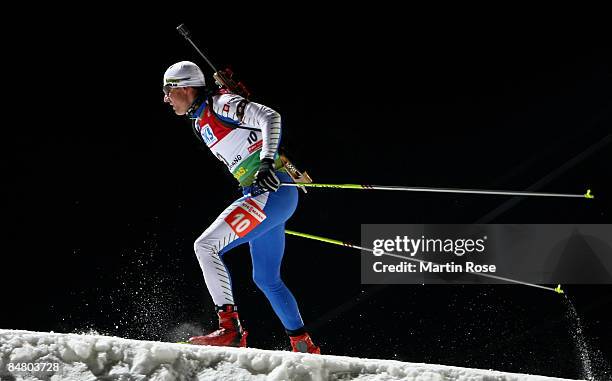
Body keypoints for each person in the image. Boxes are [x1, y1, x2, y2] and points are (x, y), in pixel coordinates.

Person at [162, 61, 320, 354]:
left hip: (270, 192)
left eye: (167, 91)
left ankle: (229, 330)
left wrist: (266, 162)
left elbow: (270, 117)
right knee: (266, 278)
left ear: (184, 87)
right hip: (267, 195)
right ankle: (303, 345)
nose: (165, 99)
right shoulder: (201, 121)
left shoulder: (220, 103)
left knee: (205, 246)